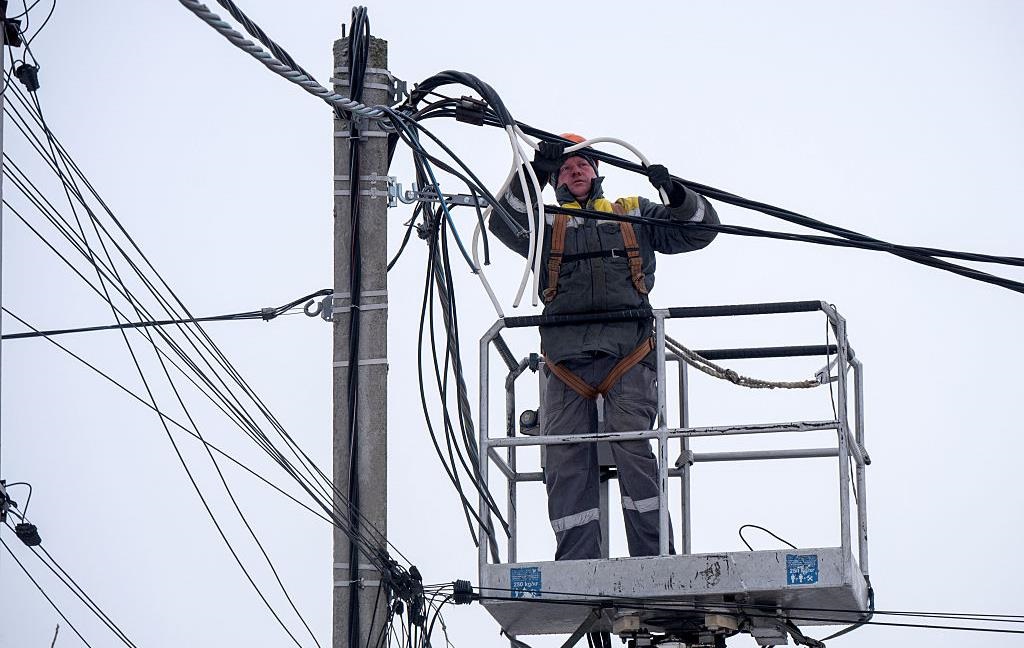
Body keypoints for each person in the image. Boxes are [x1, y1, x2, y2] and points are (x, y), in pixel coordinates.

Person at [488, 134, 720, 560]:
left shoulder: (631, 214)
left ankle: (654, 558)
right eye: (566, 168)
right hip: (564, 363)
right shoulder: (548, 224)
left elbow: (702, 229)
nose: (575, 172)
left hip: (627, 354)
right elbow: (502, 222)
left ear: (597, 172)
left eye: (583, 165)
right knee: (564, 459)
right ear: (557, 179)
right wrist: (537, 170)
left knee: (634, 450)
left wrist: (674, 193)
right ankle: (577, 566)